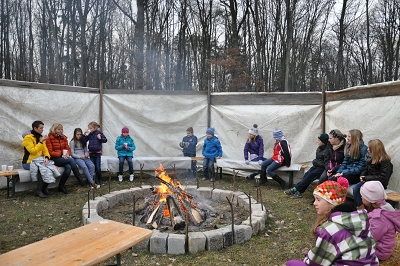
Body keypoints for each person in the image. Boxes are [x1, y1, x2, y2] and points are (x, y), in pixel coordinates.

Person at [286, 179, 378, 265]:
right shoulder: (359, 219)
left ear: (331, 203)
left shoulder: (330, 230)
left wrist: (307, 257)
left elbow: (316, 262)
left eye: (318, 199)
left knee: (291, 263)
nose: (314, 203)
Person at [361, 181, 400, 261]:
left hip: (380, 252)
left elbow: (369, 239)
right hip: (379, 245)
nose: (361, 198)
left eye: (363, 196)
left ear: (369, 200)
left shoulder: (379, 218)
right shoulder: (383, 206)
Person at [22, 121, 60, 198]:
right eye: (41, 128)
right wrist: (41, 141)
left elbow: (45, 150)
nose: (42, 130)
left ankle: (44, 188)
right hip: (28, 163)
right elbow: (32, 151)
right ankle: (38, 191)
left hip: (40, 161)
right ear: (35, 128)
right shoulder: (27, 138)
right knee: (42, 170)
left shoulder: (40, 137)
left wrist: (46, 157)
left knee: (51, 168)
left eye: (43, 128)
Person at [285, 133, 328, 198]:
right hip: (316, 166)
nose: (317, 141)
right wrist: (315, 162)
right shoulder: (319, 148)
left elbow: (325, 163)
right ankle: (299, 192)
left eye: (319, 140)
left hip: (322, 169)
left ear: (323, 142)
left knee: (310, 176)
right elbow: (318, 159)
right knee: (306, 174)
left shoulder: (328, 150)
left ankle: (295, 189)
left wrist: (315, 162)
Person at [46, 123, 85, 194]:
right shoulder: (49, 138)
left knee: (68, 167)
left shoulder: (63, 138)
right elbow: (50, 152)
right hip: (54, 158)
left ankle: (61, 186)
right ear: (54, 129)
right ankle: (80, 179)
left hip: (64, 158)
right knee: (71, 160)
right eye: (58, 129)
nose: (60, 131)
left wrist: (67, 154)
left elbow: (68, 149)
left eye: (61, 129)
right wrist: (61, 155)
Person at [352, 139, 393, 208]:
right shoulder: (370, 158)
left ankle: (362, 207)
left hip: (379, 184)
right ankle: (360, 206)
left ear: (375, 149)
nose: (367, 149)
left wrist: (366, 178)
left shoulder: (385, 161)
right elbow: (365, 169)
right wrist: (362, 175)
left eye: (369, 148)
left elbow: (383, 178)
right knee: (355, 188)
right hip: (369, 181)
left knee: (357, 188)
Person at [81, 121, 107, 186]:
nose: (89, 129)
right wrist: (84, 134)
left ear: (95, 128)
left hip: (97, 153)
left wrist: (100, 138)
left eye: (90, 128)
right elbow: (84, 140)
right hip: (91, 153)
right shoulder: (89, 134)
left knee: (98, 167)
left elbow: (105, 140)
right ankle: (93, 180)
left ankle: (99, 179)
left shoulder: (99, 133)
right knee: (92, 167)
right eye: (89, 128)